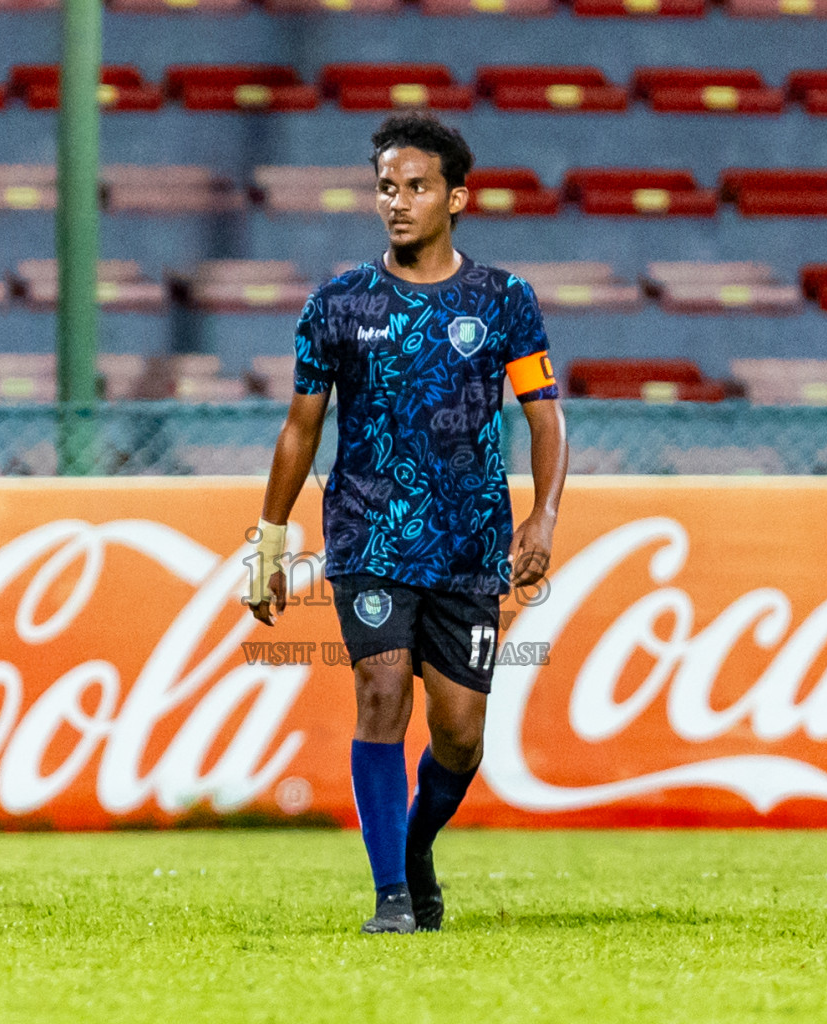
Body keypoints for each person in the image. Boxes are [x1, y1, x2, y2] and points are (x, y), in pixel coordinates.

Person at [247, 113, 567, 934]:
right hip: (368, 533)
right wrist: (271, 541)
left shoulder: (502, 301)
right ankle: (391, 894)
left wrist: (544, 514)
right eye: (387, 186)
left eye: (417, 186)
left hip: (470, 545)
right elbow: (301, 427)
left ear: (456, 197)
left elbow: (544, 415)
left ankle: (417, 846)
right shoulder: (339, 302)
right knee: (380, 690)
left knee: (460, 740)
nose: (398, 201)